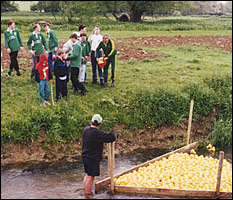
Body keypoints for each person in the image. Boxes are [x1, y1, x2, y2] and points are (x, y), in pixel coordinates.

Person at [82, 114, 116, 199]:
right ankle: (88, 195)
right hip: (92, 158)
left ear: (91, 121)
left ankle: (85, 192)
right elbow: (111, 137)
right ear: (100, 123)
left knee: (87, 175)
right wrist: (112, 131)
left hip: (85, 156)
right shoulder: (96, 133)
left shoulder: (86, 130)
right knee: (91, 177)